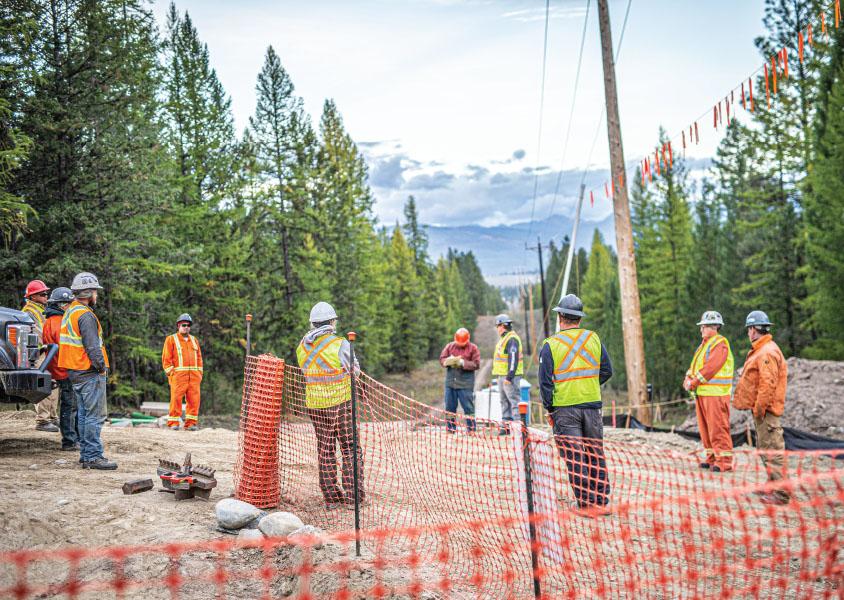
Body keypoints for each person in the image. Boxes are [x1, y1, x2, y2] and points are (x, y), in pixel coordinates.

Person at [539, 294, 613, 511]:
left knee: (575, 456)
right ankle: (601, 501)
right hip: (592, 407)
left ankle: (586, 503)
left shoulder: (550, 344)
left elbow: (544, 383)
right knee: (594, 452)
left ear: (561, 316)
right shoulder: (594, 338)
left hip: (564, 409)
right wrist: (588, 385)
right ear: (579, 318)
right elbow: (607, 370)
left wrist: (550, 407)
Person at [296, 301, 364, 509]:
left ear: (313, 324)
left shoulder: (302, 346)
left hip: (315, 404)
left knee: (325, 450)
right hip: (340, 403)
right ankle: (354, 498)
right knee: (350, 447)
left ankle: (331, 499)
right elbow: (356, 371)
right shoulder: (340, 344)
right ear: (332, 322)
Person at [57, 272, 117, 470]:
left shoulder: (70, 312)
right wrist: (101, 368)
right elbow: (92, 347)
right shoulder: (85, 315)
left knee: (83, 415)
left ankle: (86, 455)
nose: (97, 296)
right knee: (94, 416)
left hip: (75, 372)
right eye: (95, 292)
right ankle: (92, 456)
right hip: (88, 371)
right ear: (88, 292)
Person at [734, 310, 789, 505]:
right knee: (765, 448)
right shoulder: (763, 349)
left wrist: (759, 409)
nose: (748, 333)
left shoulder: (767, 352)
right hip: (763, 411)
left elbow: (768, 384)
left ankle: (781, 494)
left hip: (766, 411)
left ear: (754, 329)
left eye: (749, 329)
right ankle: (772, 485)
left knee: (772, 449)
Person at [683, 311, 735, 472]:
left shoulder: (719, 343)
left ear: (714, 327)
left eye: (704, 326)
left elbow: (710, 368)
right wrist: (687, 379)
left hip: (716, 395)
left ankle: (724, 461)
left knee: (717, 428)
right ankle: (712, 458)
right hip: (704, 394)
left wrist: (694, 382)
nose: (701, 330)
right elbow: (695, 366)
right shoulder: (705, 344)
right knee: (706, 430)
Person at [41, 287, 78, 450]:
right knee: (70, 405)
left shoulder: (50, 321)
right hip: (65, 368)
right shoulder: (59, 322)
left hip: (58, 368)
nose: (71, 306)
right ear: (62, 304)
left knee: (68, 403)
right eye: (69, 303)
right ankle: (69, 441)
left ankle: (70, 438)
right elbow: (66, 348)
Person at [23, 279, 60, 433]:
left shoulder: (41, 310)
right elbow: (37, 333)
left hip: (47, 352)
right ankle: (42, 420)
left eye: (46, 293)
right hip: (37, 354)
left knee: (53, 383)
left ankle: (52, 417)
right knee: (43, 383)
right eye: (42, 294)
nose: (46, 296)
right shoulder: (28, 312)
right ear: (32, 297)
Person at [162, 313, 203, 431]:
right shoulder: (171, 339)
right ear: (178, 326)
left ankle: (191, 423)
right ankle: (173, 422)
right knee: (176, 399)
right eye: (184, 325)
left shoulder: (194, 340)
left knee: (194, 400)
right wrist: (171, 373)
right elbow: (166, 359)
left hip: (194, 377)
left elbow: (199, 358)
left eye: (188, 325)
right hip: (178, 377)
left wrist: (200, 373)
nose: (186, 327)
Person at [439, 327, 480, 433]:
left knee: (468, 408)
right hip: (451, 383)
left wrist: (463, 363)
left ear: (468, 339)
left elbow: (476, 364)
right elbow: (442, 358)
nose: (460, 344)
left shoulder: (473, 348)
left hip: (465, 384)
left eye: (463, 343)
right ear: (455, 338)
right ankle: (450, 429)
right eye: (459, 343)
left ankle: (471, 430)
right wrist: (446, 362)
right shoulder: (449, 346)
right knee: (449, 407)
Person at [491, 314, 524, 434]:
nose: (497, 329)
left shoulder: (512, 339)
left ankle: (518, 429)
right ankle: (506, 427)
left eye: (498, 326)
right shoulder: (504, 339)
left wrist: (509, 377)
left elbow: (513, 359)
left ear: (502, 326)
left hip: (510, 377)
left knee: (514, 402)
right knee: (504, 402)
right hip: (502, 376)